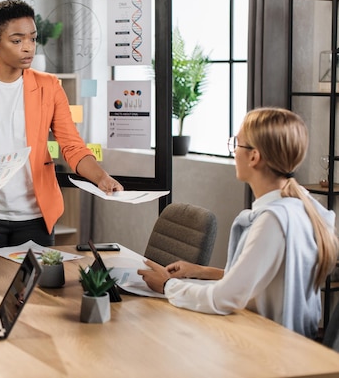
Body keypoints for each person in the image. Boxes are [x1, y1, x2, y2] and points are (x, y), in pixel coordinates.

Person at [138, 107, 339, 338]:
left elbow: (224, 299)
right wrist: (201, 271)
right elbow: (262, 276)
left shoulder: (272, 221)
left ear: (254, 156)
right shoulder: (301, 203)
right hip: (291, 341)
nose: (234, 152)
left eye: (237, 144)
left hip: (271, 348)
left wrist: (166, 286)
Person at [0, 0, 123, 248]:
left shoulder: (49, 86)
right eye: (17, 41)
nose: (28, 48)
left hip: (35, 218)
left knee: (36, 287)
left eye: (32, 39)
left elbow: (72, 147)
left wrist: (101, 177)